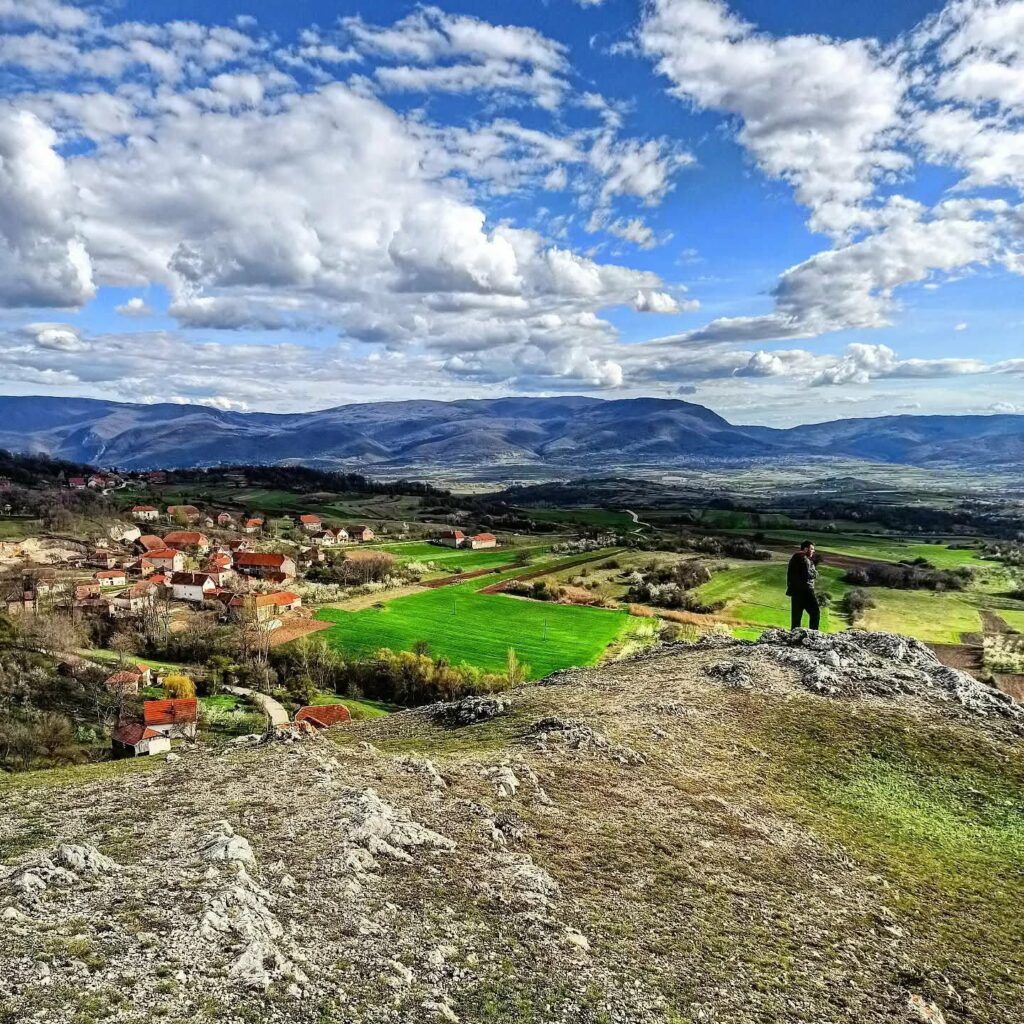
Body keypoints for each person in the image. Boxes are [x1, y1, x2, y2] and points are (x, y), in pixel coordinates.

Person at [786, 540, 820, 630]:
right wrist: (815, 573)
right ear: (805, 549)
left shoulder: (794, 558)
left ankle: (793, 637)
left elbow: (790, 575)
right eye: (812, 549)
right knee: (815, 612)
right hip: (806, 591)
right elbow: (808, 574)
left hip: (795, 591)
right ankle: (814, 635)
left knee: (796, 617)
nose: (813, 551)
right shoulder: (804, 559)